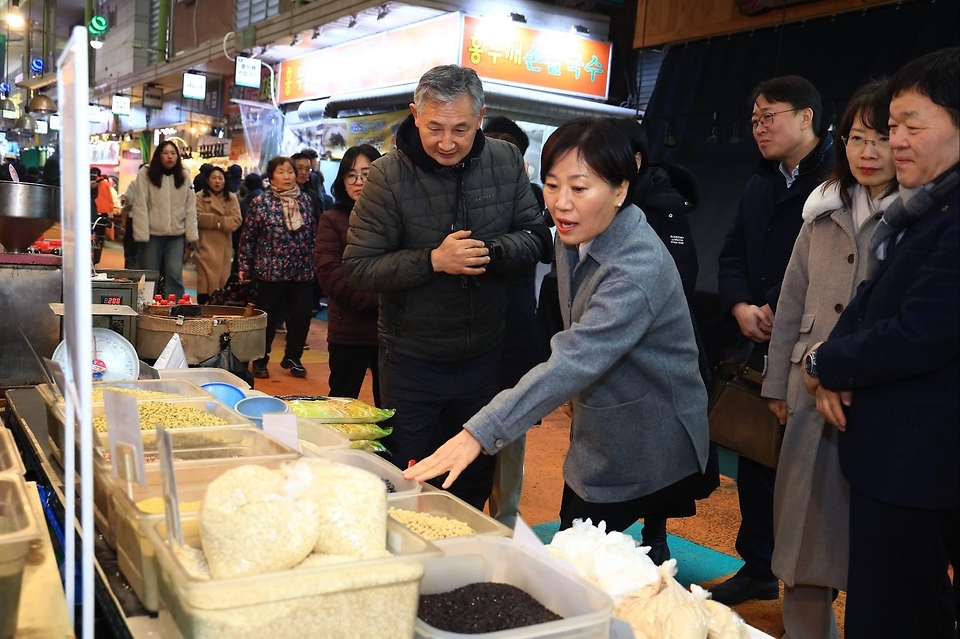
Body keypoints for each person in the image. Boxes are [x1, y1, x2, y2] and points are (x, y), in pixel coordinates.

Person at [404, 116, 711, 532]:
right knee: (585, 548)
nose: (561, 203)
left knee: (583, 560)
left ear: (621, 189)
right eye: (552, 185)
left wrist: (478, 433)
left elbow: (575, 358)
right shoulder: (575, 231)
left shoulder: (636, 267)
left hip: (646, 433)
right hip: (600, 429)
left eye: (579, 188)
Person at [802, 48, 959, 639]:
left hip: (917, 465)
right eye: (890, 127)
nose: (894, 142)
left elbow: (922, 332)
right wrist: (828, 364)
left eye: (910, 125)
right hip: (896, 458)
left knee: (899, 616)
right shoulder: (926, 208)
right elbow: (870, 303)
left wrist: (825, 361)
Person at [342, 65, 550, 510]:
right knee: (408, 476)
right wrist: (434, 261)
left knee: (472, 479)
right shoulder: (385, 177)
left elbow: (536, 237)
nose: (447, 142)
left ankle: (463, 572)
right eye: (435, 127)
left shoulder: (505, 161)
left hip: (484, 355)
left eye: (461, 128)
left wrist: (488, 251)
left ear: (481, 116)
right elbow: (358, 268)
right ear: (415, 115)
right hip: (411, 358)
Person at [761, 80, 898, 639]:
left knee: (872, 547)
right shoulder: (822, 211)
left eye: (881, 139)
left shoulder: (918, 218)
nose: (866, 153)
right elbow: (792, 299)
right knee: (801, 536)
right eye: (855, 138)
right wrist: (775, 382)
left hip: (876, 399)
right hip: (806, 392)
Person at [713, 75, 835, 605]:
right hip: (759, 338)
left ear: (806, 116)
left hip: (813, 344)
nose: (759, 127)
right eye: (754, 118)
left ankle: (811, 586)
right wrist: (740, 304)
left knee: (810, 470)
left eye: (770, 116)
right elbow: (733, 248)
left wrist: (770, 304)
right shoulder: (762, 180)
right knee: (758, 459)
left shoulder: (837, 179)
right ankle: (757, 565)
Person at [607, 116, 715, 564]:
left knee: (657, 443)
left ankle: (655, 533)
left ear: (633, 159)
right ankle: (605, 535)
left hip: (657, 350)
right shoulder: (598, 202)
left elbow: (681, 276)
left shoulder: (663, 201)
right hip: (610, 350)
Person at [480, 115, 546, 528]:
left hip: (514, 331)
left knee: (510, 427)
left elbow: (536, 249)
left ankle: (505, 521)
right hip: (461, 336)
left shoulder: (534, 200)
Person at [237, 156, 318, 379]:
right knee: (267, 319)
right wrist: (244, 265)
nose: (287, 176)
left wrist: (314, 262)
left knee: (301, 316)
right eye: (281, 172)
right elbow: (248, 237)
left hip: (301, 270)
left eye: (290, 172)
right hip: (269, 271)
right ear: (271, 177)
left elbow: (312, 235)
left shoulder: (305, 201)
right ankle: (261, 360)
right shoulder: (261, 202)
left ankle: (293, 357)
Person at [314, 144, 383, 405]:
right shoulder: (332, 219)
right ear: (342, 180)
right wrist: (380, 299)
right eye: (351, 175)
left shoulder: (396, 217)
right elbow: (330, 274)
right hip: (349, 330)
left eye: (367, 174)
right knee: (342, 405)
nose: (359, 182)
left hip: (389, 333)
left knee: (390, 407)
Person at [128, 141, 198, 297]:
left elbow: (190, 206)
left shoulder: (184, 175)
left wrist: (191, 233)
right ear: (159, 155)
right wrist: (141, 233)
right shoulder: (146, 174)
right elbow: (140, 204)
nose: (170, 157)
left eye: (173, 153)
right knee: (149, 274)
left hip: (176, 235)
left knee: (175, 274)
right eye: (165, 153)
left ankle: (176, 309)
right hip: (152, 234)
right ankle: (146, 306)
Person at [194, 166, 242, 304]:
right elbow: (197, 217)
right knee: (204, 284)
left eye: (220, 178)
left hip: (224, 248)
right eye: (214, 178)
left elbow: (237, 220)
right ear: (207, 180)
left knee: (220, 286)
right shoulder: (199, 197)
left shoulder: (231, 198)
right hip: (204, 246)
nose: (217, 181)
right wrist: (221, 222)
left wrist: (214, 221)